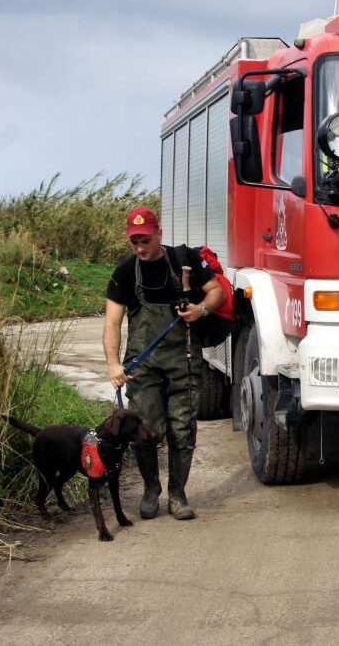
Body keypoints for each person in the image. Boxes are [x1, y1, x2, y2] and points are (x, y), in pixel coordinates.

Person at [103, 206, 224, 521]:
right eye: (134, 242)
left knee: (182, 430)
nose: (140, 247)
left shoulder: (184, 261)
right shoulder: (125, 272)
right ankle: (150, 490)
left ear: (160, 234)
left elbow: (217, 292)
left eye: (145, 240)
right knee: (145, 431)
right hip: (142, 367)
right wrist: (113, 365)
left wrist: (201, 310)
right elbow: (112, 323)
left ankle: (178, 495)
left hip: (183, 361)